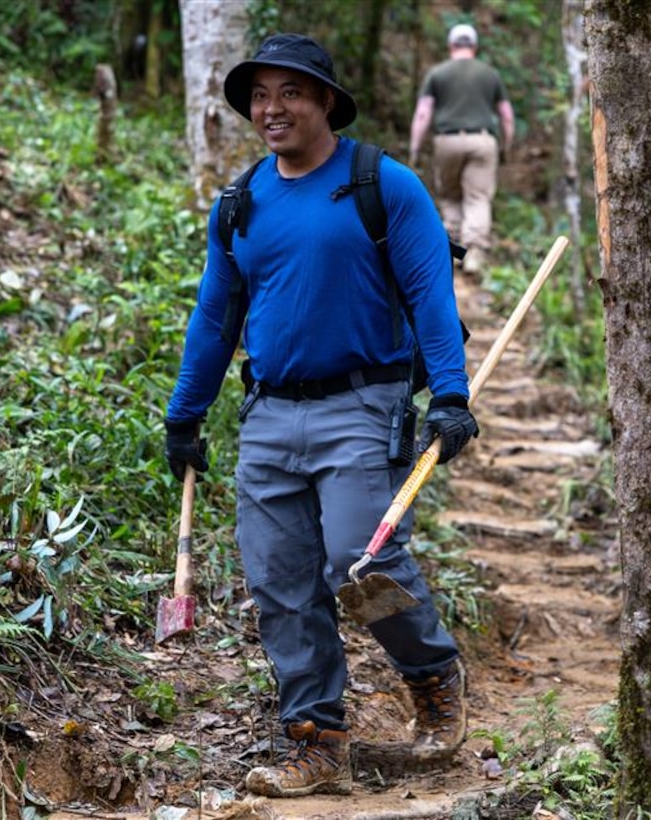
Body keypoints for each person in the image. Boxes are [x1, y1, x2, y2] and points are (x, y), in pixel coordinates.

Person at [164, 33, 479, 798]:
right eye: (259, 96)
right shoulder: (240, 203)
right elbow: (215, 316)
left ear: (325, 101)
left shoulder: (383, 184)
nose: (271, 109)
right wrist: (186, 415)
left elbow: (430, 295)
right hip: (268, 414)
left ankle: (432, 676)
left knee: (360, 559)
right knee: (277, 581)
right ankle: (315, 741)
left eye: (289, 93)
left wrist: (450, 395)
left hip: (363, 405)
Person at [408, 23, 514, 277]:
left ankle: (452, 251)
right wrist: (505, 147)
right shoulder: (490, 74)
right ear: (474, 46)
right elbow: (507, 116)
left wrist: (415, 149)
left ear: (451, 46)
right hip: (482, 140)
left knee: (451, 195)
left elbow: (423, 114)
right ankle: (475, 252)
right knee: (478, 197)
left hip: (448, 141)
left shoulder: (437, 74)